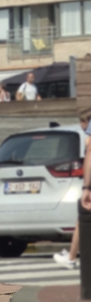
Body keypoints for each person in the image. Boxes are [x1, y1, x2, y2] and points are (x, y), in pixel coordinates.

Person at [53, 108, 91, 268]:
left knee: (82, 220)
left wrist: (86, 187)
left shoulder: (88, 140)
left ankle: (71, 257)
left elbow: (89, 155)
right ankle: (71, 256)